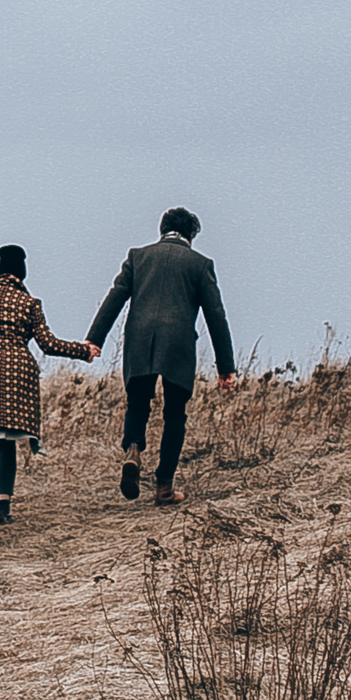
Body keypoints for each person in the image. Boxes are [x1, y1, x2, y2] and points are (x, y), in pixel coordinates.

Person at [86, 208, 235, 507]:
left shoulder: (138, 257)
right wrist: (225, 366)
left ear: (162, 230)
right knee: (175, 415)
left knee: (137, 403)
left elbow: (115, 297)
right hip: (178, 344)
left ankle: (133, 450)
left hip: (140, 340)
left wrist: (94, 339)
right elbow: (215, 315)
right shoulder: (200, 264)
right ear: (191, 235)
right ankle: (164, 487)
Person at [0, 243, 101, 541]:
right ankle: (3, 508)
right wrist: (82, 350)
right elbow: (48, 344)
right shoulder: (29, 302)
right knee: (8, 441)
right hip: (18, 377)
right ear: (22, 272)